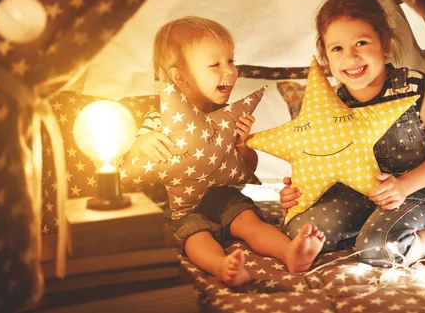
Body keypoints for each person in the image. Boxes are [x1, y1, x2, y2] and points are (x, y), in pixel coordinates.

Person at [126, 16, 325, 286]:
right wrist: (143, 142)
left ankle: (289, 252)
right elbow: (133, 157)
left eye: (231, 61)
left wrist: (243, 146)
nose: (230, 71)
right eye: (215, 65)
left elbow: (247, 169)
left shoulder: (227, 116)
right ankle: (221, 267)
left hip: (221, 194)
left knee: (249, 219)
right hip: (179, 205)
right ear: (178, 75)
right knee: (196, 235)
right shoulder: (160, 118)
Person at [279, 0, 425, 267]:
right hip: (356, 192)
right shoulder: (333, 104)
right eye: (337, 48)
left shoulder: (413, 87)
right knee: (299, 231)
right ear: (325, 55)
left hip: (413, 189)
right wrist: (299, 191)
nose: (350, 58)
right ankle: (365, 223)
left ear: (385, 44)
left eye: (361, 43)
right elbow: (323, 160)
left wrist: (403, 186)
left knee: (379, 249)